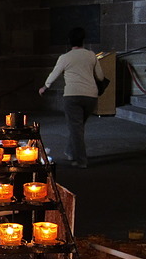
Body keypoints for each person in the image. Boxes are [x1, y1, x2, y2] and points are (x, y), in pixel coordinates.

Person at [38, 27, 104, 168]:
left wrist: (45, 87)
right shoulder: (91, 55)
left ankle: (81, 160)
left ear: (69, 41)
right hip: (91, 96)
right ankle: (70, 151)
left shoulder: (65, 57)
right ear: (83, 40)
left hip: (72, 95)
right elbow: (100, 76)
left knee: (76, 128)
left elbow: (54, 74)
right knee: (77, 127)